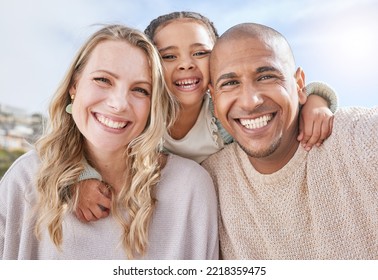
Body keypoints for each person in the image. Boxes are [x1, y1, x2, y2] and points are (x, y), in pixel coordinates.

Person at [74, 11, 339, 223]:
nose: (186, 64)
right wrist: (82, 176)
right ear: (151, 63)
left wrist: (317, 100)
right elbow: (75, 130)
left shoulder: (223, 115)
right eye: (168, 56)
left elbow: (287, 96)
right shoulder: (140, 112)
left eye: (200, 53)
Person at [0, 24, 219, 260]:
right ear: (74, 85)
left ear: (152, 105)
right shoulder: (26, 179)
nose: (119, 104)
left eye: (140, 90)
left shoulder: (190, 188)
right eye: (103, 80)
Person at [201, 22, 378, 259]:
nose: (250, 101)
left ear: (299, 84)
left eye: (266, 76)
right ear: (213, 97)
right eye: (230, 83)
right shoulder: (207, 182)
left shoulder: (357, 140)